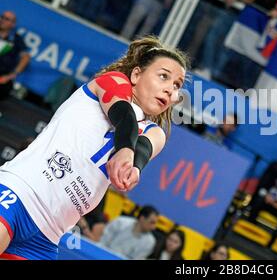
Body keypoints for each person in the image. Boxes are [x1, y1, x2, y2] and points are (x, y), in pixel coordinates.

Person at [0, 35, 189, 260]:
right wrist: (125, 149)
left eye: (176, 85)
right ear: (137, 74)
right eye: (163, 77)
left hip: (46, 236)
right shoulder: (112, 81)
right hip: (18, 194)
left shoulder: (154, 132)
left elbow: (145, 149)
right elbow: (124, 115)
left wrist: (134, 168)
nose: (170, 89)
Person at [0, 11, 31, 100]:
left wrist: (12, 75)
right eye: (2, 17)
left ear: (13, 24)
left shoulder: (17, 40)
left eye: (7, 19)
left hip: (2, 75)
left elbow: (26, 57)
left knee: (5, 86)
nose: (2, 20)